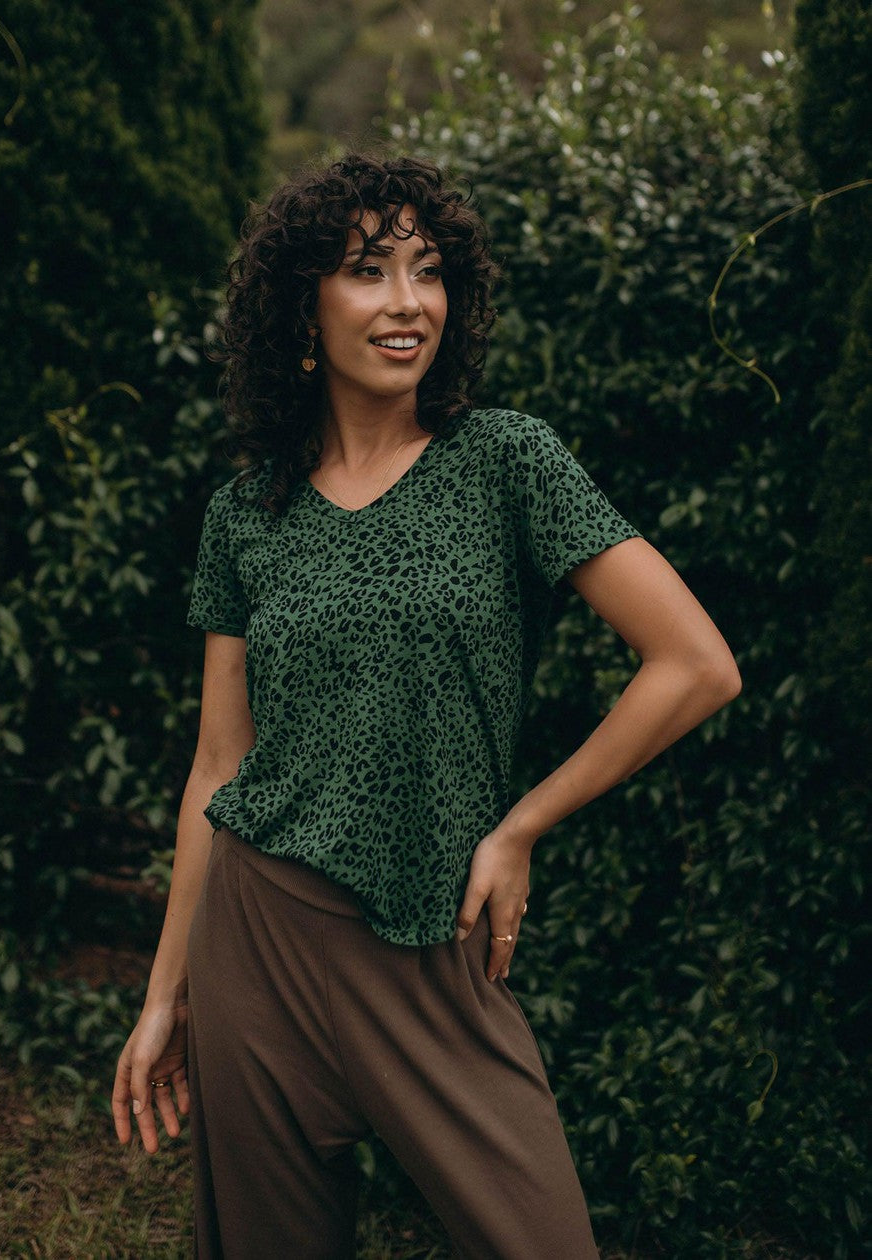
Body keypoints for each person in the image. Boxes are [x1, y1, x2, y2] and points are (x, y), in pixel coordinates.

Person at [112, 153, 741, 1259]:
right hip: (256, 944)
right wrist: (167, 995)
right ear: (302, 308)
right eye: (368, 270)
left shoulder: (506, 461)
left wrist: (521, 826)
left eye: (429, 269)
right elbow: (219, 767)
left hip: (432, 951)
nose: (408, 302)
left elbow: (695, 664)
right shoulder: (248, 512)